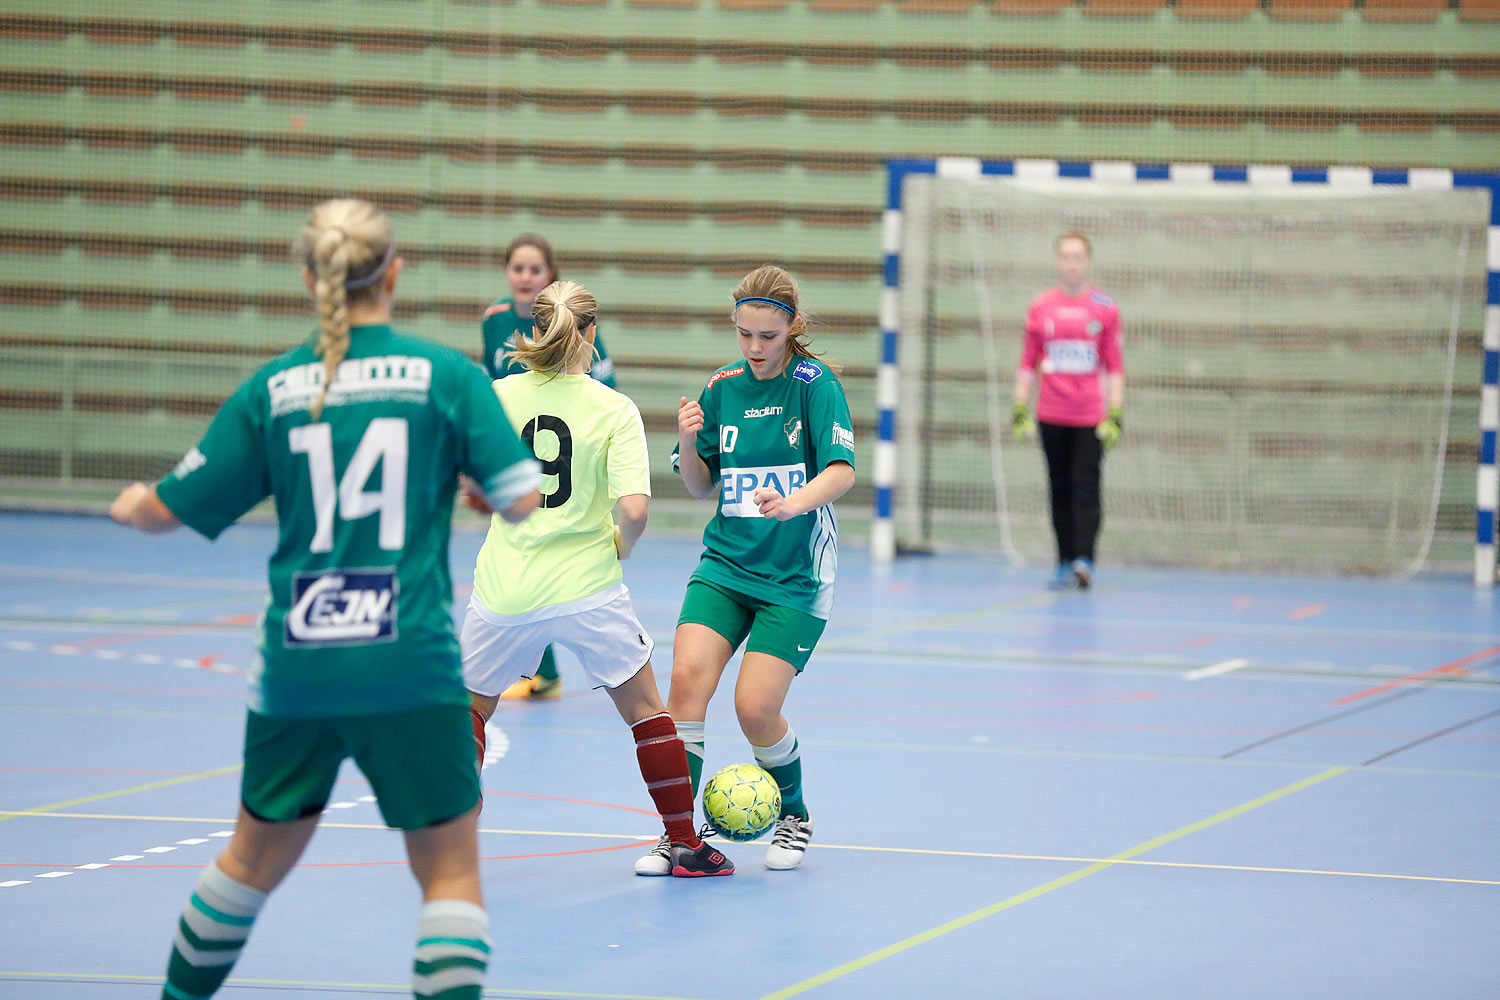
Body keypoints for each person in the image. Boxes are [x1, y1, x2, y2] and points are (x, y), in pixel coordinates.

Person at [109, 198, 542, 1000]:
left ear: (311, 278)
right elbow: (520, 499)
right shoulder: (447, 378)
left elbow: (170, 508)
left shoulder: (272, 388)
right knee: (449, 873)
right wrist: (465, 475)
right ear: (396, 273)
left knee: (247, 862)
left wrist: (137, 503)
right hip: (409, 662)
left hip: (297, 670)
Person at [461, 280, 733, 878]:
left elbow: (471, 486)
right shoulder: (614, 409)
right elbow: (634, 513)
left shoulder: (495, 396)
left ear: (534, 333)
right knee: (645, 711)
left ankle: (450, 843)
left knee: (470, 713)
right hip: (588, 584)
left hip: (506, 585)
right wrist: (621, 545)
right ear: (589, 335)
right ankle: (685, 843)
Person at [635, 265, 856, 876]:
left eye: (767, 336)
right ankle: (679, 835)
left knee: (754, 707)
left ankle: (795, 815)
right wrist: (685, 442)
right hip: (725, 567)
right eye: (744, 335)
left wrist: (795, 501)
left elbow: (843, 472)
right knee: (684, 685)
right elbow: (701, 486)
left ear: (791, 328)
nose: (755, 348)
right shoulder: (723, 386)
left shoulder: (816, 385)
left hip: (794, 579)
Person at [478, 233, 617, 700]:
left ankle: (539, 670)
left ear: (549, 276)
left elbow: (603, 383)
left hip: (561, 442)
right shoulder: (494, 319)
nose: (524, 276)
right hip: (514, 438)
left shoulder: (577, 323)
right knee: (524, 552)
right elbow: (488, 379)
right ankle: (540, 671)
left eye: (534, 270)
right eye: (517, 268)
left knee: (544, 552)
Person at [1012, 231, 1124, 591]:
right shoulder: (1042, 306)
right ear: (1058, 262)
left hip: (1090, 416)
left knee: (1085, 488)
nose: (1072, 263)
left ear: (1087, 261)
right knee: (1058, 488)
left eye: (1078, 256)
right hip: (1051, 414)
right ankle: (1063, 560)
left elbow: (1115, 365)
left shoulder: (1105, 309)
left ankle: (1084, 559)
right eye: (1065, 256)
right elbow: (1027, 362)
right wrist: (1019, 406)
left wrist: (1116, 413)